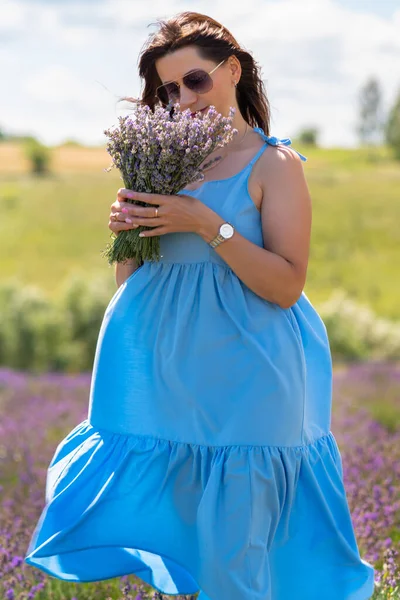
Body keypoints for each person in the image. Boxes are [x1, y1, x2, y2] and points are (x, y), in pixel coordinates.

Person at [24, 11, 375, 600]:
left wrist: (207, 224)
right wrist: (127, 234)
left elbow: (287, 285)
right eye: (168, 89)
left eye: (195, 81)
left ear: (232, 70)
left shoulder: (275, 164)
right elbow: (132, 283)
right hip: (166, 372)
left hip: (253, 372)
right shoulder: (162, 159)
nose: (182, 99)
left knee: (236, 549)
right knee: (182, 536)